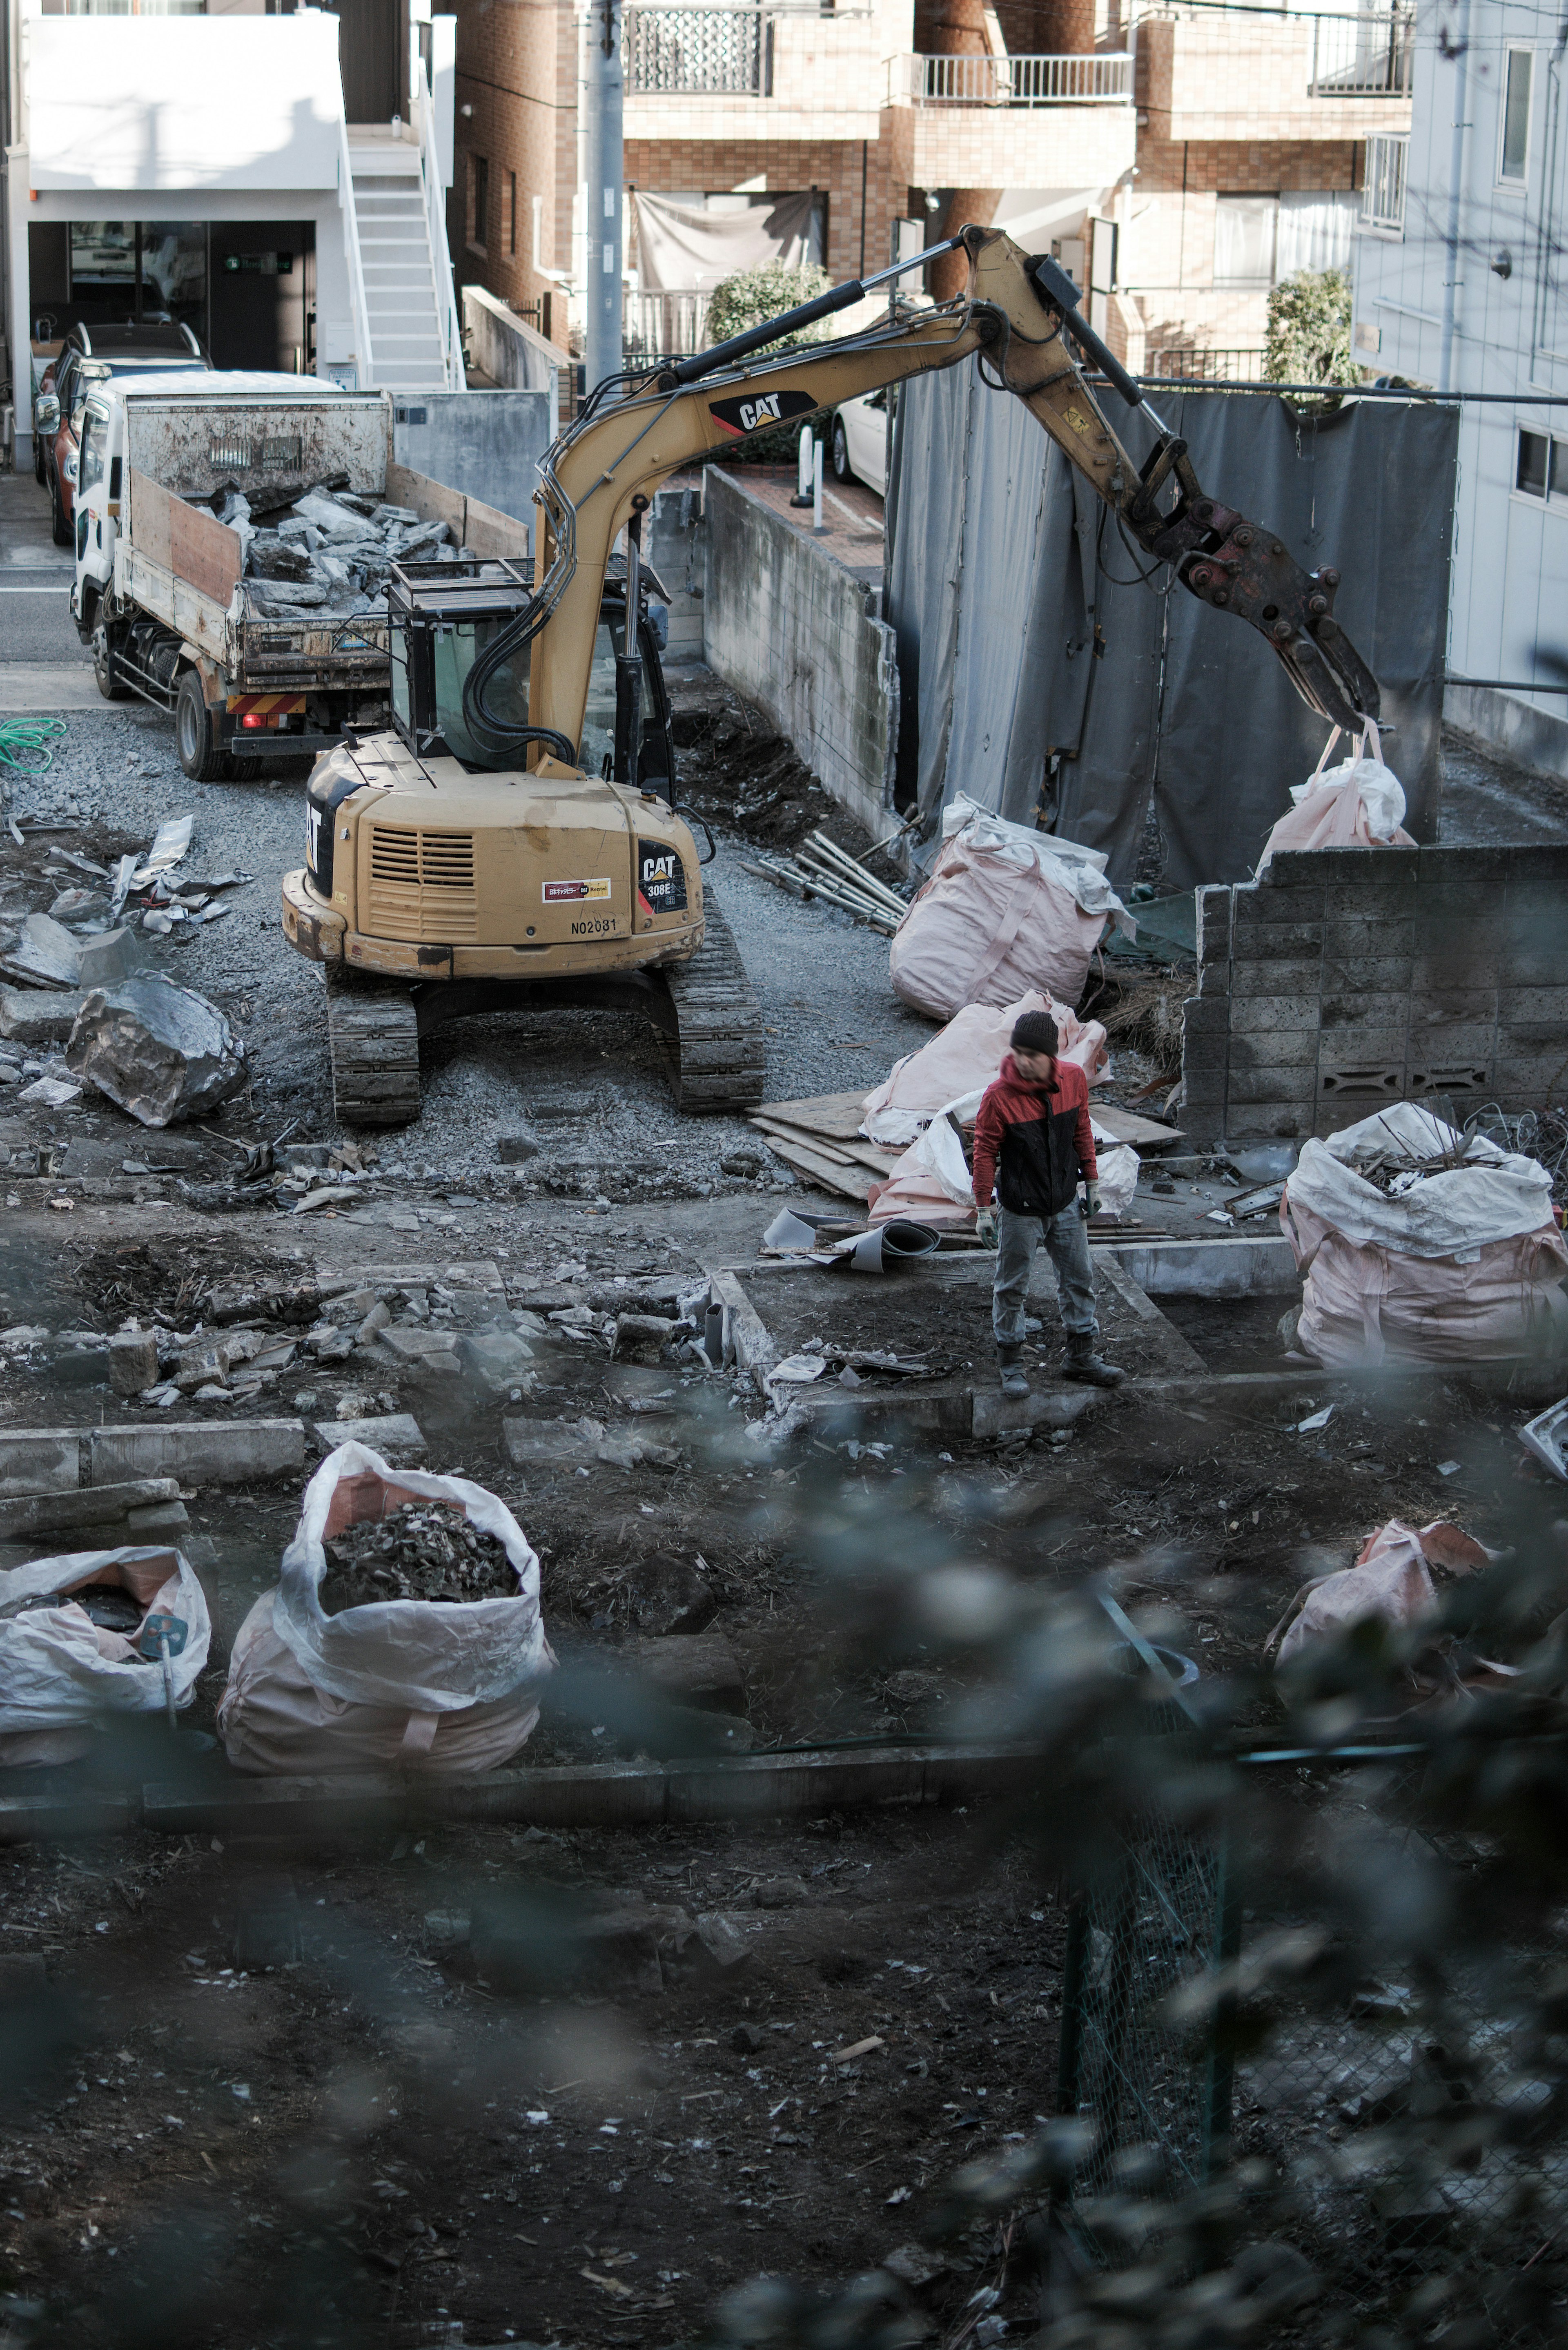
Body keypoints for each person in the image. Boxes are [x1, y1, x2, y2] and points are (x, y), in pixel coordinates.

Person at [971, 1009, 1124, 1397]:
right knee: (1011, 1288)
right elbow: (985, 1152)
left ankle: (1080, 1358)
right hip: (1021, 1210)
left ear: (1052, 1056)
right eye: (1018, 1052)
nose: (1024, 1061)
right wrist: (984, 1210)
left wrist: (1092, 1184)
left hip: (1066, 1204)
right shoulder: (998, 1097)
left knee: (1079, 1281)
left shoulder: (1073, 1080)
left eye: (1033, 1055)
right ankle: (1012, 1365)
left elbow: (1082, 1129)